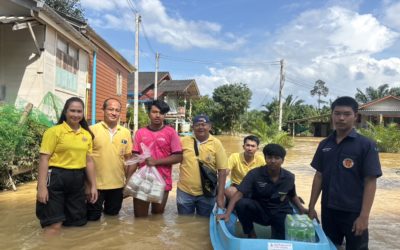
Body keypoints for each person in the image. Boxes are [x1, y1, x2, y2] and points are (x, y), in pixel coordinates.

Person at [308, 96, 382, 250]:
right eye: (337, 113)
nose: (341, 118)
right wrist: (311, 207)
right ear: (332, 115)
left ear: (355, 116)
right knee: (330, 246)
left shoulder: (366, 145)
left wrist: (364, 216)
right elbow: (319, 176)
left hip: (354, 212)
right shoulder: (324, 144)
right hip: (328, 210)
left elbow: (371, 181)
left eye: (347, 114)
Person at [36, 97, 98, 235]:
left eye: (79, 111)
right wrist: (41, 187)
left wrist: (93, 185)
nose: (76, 114)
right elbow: (44, 159)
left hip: (77, 180)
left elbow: (88, 161)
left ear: (83, 114)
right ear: (65, 112)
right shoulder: (53, 132)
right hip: (56, 179)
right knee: (54, 225)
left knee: (76, 225)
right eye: (72, 111)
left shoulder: (87, 135)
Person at [217, 144, 307, 239]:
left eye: (277, 158)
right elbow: (239, 194)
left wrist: (301, 209)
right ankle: (251, 233)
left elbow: (292, 195)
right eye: (269, 157)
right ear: (265, 158)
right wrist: (227, 213)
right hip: (260, 210)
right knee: (242, 203)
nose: (273, 161)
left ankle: (276, 232)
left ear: (282, 160)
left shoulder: (289, 177)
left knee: (278, 240)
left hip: (280, 212)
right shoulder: (254, 174)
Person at [127, 100, 183, 217]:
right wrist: (128, 181)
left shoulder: (171, 133)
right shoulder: (140, 133)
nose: (158, 115)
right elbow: (135, 158)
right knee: (140, 218)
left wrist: (156, 162)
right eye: (154, 112)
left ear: (164, 115)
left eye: (161, 113)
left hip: (162, 181)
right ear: (149, 113)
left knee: (157, 218)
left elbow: (178, 157)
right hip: (142, 180)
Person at [87, 98, 133, 221]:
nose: (114, 113)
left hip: (117, 186)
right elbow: (85, 159)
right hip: (95, 186)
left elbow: (128, 160)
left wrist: (127, 184)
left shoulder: (126, 132)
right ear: (103, 110)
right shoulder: (91, 130)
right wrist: (87, 185)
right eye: (110, 109)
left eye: (117, 110)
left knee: (113, 220)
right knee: (93, 219)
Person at [177, 114, 228, 217]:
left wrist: (220, 196)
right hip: (184, 191)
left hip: (207, 193)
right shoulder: (183, 141)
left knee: (204, 223)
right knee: (183, 223)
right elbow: (174, 157)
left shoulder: (216, 143)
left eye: (204, 124)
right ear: (193, 127)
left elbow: (222, 171)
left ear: (210, 126)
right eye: (197, 125)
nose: (201, 127)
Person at [225, 135, 265, 200]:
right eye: (248, 145)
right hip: (237, 187)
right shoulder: (235, 157)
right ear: (243, 147)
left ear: (257, 148)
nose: (250, 148)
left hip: (253, 188)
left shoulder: (261, 160)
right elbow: (225, 172)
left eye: (253, 146)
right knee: (229, 191)